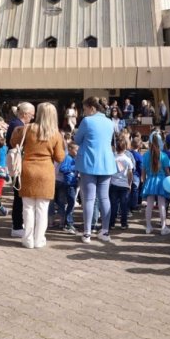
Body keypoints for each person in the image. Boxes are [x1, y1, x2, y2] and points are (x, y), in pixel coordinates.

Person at [10, 102, 64, 248]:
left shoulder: (27, 129)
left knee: (27, 208)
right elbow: (60, 157)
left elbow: (13, 142)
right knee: (42, 208)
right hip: (46, 172)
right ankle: (39, 239)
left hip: (27, 170)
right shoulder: (55, 133)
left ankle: (27, 239)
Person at [74, 97, 117, 243]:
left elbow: (77, 140)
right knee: (104, 198)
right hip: (106, 164)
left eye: (85, 109)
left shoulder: (87, 121)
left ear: (92, 108)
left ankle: (87, 233)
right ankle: (105, 231)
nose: (84, 112)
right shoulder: (110, 121)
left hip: (89, 163)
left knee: (89, 198)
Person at [5, 102, 35, 238]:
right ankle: (17, 225)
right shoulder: (18, 125)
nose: (33, 118)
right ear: (25, 113)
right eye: (31, 115)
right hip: (18, 163)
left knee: (19, 195)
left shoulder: (15, 123)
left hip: (16, 162)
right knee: (19, 195)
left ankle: (18, 224)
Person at [141, 132, 170, 235]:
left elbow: (143, 172)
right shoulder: (164, 156)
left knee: (149, 204)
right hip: (161, 181)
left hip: (150, 180)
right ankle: (163, 227)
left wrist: (144, 182)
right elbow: (167, 172)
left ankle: (148, 227)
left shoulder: (145, 155)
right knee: (161, 204)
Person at [109, 137, 133, 230]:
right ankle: (124, 223)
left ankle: (111, 223)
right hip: (124, 185)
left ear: (115, 147)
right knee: (124, 205)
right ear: (125, 147)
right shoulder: (127, 159)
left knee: (113, 205)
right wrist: (129, 184)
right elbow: (130, 173)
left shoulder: (112, 157)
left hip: (113, 184)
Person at [58, 142, 79, 234]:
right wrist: (74, 167)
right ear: (70, 149)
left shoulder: (73, 158)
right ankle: (68, 224)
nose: (77, 152)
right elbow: (62, 169)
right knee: (71, 203)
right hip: (69, 183)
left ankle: (69, 222)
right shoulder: (67, 158)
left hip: (73, 183)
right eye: (76, 150)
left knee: (71, 203)